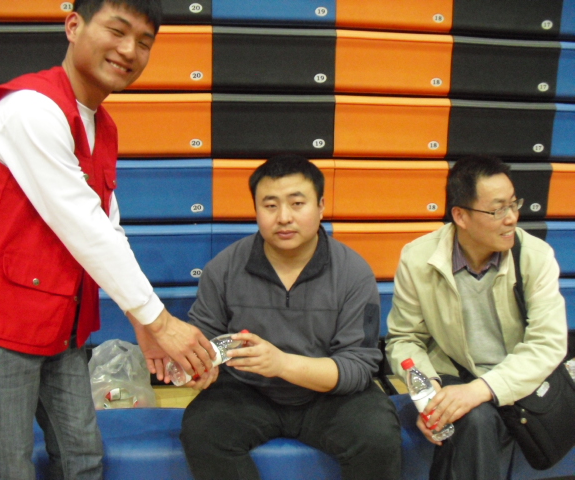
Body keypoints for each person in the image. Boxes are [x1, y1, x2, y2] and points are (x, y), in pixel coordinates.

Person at [0, 0, 215, 478]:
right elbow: (84, 226)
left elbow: (107, 225)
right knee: (6, 469)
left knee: (83, 457)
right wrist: (163, 322)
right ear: (73, 26)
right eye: (117, 31)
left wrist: (142, 323)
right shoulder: (30, 108)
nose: (129, 51)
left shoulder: (100, 124)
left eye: (144, 43)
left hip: (58, 320)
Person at [178, 154, 402, 480]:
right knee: (202, 431)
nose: (284, 217)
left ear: (321, 206)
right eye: (270, 206)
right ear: (256, 209)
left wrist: (281, 364)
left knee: (378, 435)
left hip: (330, 398)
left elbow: (358, 367)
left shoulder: (354, 273)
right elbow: (203, 341)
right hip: (246, 392)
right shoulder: (223, 268)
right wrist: (198, 368)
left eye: (297, 204)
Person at [385, 155, 568, 479]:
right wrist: (429, 394)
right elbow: (405, 338)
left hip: (520, 378)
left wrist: (481, 389)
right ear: (461, 215)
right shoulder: (418, 257)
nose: (512, 218)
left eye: (514, 204)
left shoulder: (535, 257)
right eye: (497, 210)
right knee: (473, 419)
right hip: (453, 374)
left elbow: (547, 345)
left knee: (475, 418)